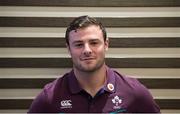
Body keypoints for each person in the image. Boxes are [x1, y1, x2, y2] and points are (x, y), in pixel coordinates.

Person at [28, 15, 160, 113]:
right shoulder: (49, 97)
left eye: (94, 43)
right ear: (69, 49)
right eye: (79, 44)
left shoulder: (134, 93)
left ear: (106, 45)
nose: (87, 50)